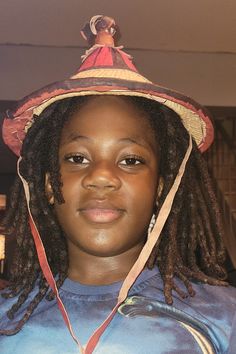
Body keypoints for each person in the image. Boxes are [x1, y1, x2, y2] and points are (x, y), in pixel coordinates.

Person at [0, 15, 235, 354]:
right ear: (49, 185)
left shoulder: (225, 319)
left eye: (131, 160)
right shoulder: (8, 320)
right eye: (77, 158)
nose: (101, 176)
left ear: (160, 188)